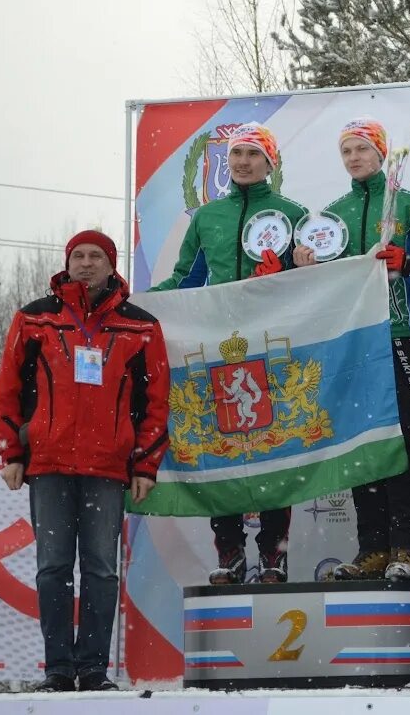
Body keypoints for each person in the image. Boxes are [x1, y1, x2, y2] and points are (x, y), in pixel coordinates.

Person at [0, 231, 169, 692]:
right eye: (78, 256)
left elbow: (156, 401)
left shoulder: (140, 325)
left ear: (112, 265)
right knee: (52, 566)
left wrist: (146, 464)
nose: (86, 263)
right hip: (48, 464)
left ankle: (93, 670)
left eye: (96, 257)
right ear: (67, 263)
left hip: (107, 469)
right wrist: (13, 452)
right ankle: (57, 669)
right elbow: (8, 390)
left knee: (100, 568)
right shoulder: (35, 318)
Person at [151, 122, 307, 584]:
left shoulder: (294, 213)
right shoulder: (206, 217)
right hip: (221, 346)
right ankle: (231, 553)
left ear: (269, 162)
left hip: (275, 346)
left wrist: (292, 274)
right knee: (224, 447)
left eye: (252, 155)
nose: (242, 162)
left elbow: (316, 279)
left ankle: (274, 556)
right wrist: (136, 302)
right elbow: (184, 280)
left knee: (274, 448)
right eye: (236, 154)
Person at [294, 117, 410, 579]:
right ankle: (372, 547)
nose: (354, 158)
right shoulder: (330, 217)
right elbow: (321, 289)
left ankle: (405, 545)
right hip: (350, 341)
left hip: (395, 335)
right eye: (347, 151)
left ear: (381, 154)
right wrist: (305, 267)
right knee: (359, 445)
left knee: (397, 441)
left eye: (362, 149)